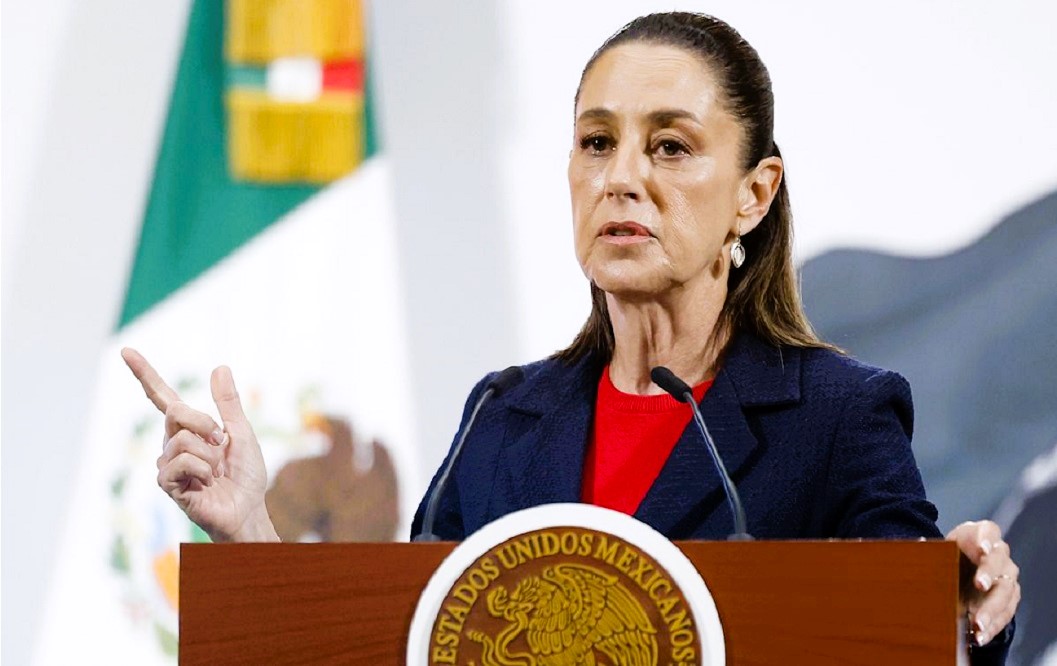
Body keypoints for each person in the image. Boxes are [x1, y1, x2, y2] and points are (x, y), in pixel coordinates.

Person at [122, 11, 1020, 661]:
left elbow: (919, 631)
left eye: (669, 147)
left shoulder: (837, 413)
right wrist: (250, 531)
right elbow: (406, 635)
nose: (621, 177)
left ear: (753, 193)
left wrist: (969, 597)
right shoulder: (503, 414)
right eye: (596, 142)